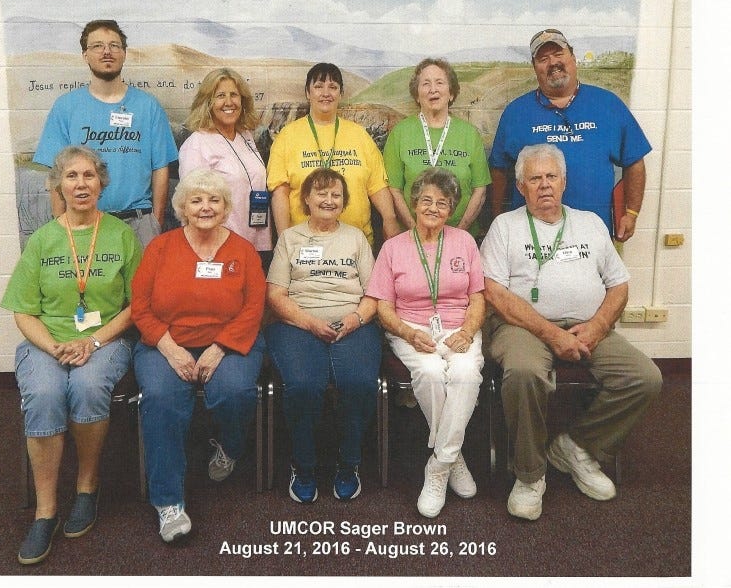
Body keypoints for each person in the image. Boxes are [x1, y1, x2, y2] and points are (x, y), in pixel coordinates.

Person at [480, 143, 662, 521]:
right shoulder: (504, 227)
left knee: (645, 378)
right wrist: (550, 333)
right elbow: (494, 292)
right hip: (522, 327)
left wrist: (597, 326)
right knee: (525, 373)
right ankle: (530, 474)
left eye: (551, 177)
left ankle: (577, 446)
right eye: (534, 179)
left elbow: (619, 285)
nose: (544, 185)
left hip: (587, 326)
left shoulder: (591, 223)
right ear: (521, 186)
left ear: (564, 182)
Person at [0, 146, 142, 564]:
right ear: (58, 185)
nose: (81, 184)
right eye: (71, 177)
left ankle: (86, 487)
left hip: (105, 340)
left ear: (101, 183)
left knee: (87, 384)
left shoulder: (120, 234)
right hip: (48, 341)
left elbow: (138, 305)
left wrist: (92, 343)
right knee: (44, 395)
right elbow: (23, 310)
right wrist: (54, 346)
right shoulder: (43, 239)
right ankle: (46, 510)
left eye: (89, 176)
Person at [130, 169, 266, 543]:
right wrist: (169, 348)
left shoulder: (243, 251)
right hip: (165, 343)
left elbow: (255, 307)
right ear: (182, 208)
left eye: (214, 200)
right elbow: (139, 307)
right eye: (196, 200)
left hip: (230, 341)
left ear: (225, 209)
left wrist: (221, 347)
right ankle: (168, 501)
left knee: (234, 391)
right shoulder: (160, 248)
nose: (205, 207)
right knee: (161, 399)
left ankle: (229, 446)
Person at [366, 167, 485, 519]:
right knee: (431, 373)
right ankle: (455, 456)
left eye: (443, 203)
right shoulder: (392, 248)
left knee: (466, 374)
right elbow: (383, 307)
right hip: (411, 328)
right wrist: (407, 332)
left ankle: (439, 464)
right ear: (415, 203)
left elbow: (478, 297)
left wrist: (467, 331)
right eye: (427, 200)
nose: (433, 208)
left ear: (451, 210)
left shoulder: (465, 241)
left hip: (458, 327)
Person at [265, 168, 381, 504]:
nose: (328, 200)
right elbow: (275, 296)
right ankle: (303, 466)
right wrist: (310, 323)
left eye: (336, 195)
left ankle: (349, 464)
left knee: (358, 383)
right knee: (303, 385)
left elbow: (374, 294)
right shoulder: (290, 239)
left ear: (344, 202)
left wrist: (356, 319)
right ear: (306, 199)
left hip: (352, 322)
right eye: (321, 193)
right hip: (298, 323)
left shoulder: (357, 238)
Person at [489, 29, 651, 241]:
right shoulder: (516, 113)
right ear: (534, 67)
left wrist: (631, 213)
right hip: (530, 239)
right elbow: (498, 170)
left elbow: (634, 161)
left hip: (594, 236)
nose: (552, 63)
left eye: (558, 54)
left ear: (573, 58)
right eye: (543, 58)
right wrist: (498, 218)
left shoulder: (608, 104)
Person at [34, 19, 179, 248]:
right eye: (97, 46)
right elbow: (56, 173)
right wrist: (61, 225)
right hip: (83, 224)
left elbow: (160, 168)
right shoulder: (66, 107)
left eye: (114, 45)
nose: (107, 52)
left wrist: (156, 220)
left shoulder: (148, 106)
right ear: (85, 55)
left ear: (124, 53)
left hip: (139, 224)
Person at [266, 62, 401, 246]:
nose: (326, 93)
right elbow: (280, 192)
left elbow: (377, 185)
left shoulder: (359, 134)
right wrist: (284, 239)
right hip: (305, 244)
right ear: (308, 92)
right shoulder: (287, 136)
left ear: (341, 93)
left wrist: (390, 219)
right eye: (318, 86)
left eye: (333, 87)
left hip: (356, 244)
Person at [383, 57, 491, 237]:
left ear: (451, 93)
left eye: (440, 82)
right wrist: (416, 232)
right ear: (417, 95)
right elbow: (393, 190)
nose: (433, 89)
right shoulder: (400, 133)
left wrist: (458, 234)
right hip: (412, 237)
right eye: (426, 84)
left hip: (460, 236)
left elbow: (480, 190)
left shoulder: (469, 134)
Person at [179, 67, 272, 267]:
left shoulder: (245, 136)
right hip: (219, 246)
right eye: (220, 96)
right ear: (208, 103)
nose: (229, 102)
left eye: (234, 95)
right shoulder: (197, 143)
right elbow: (191, 207)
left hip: (257, 241)